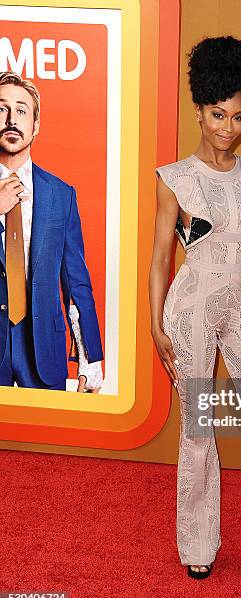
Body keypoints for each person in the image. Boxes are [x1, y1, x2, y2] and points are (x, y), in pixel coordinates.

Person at [149, 36, 241, 587]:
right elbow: (160, 258)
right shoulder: (175, 180)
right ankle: (199, 545)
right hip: (189, 313)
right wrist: (154, 319)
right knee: (198, 429)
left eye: (237, 115)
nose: (228, 128)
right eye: (217, 115)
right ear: (200, 111)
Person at [0, 71, 103, 392]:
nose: (11, 119)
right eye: (1, 109)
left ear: (36, 125)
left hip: (44, 349)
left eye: (21, 110)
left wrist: (90, 360)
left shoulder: (61, 194)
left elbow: (76, 282)